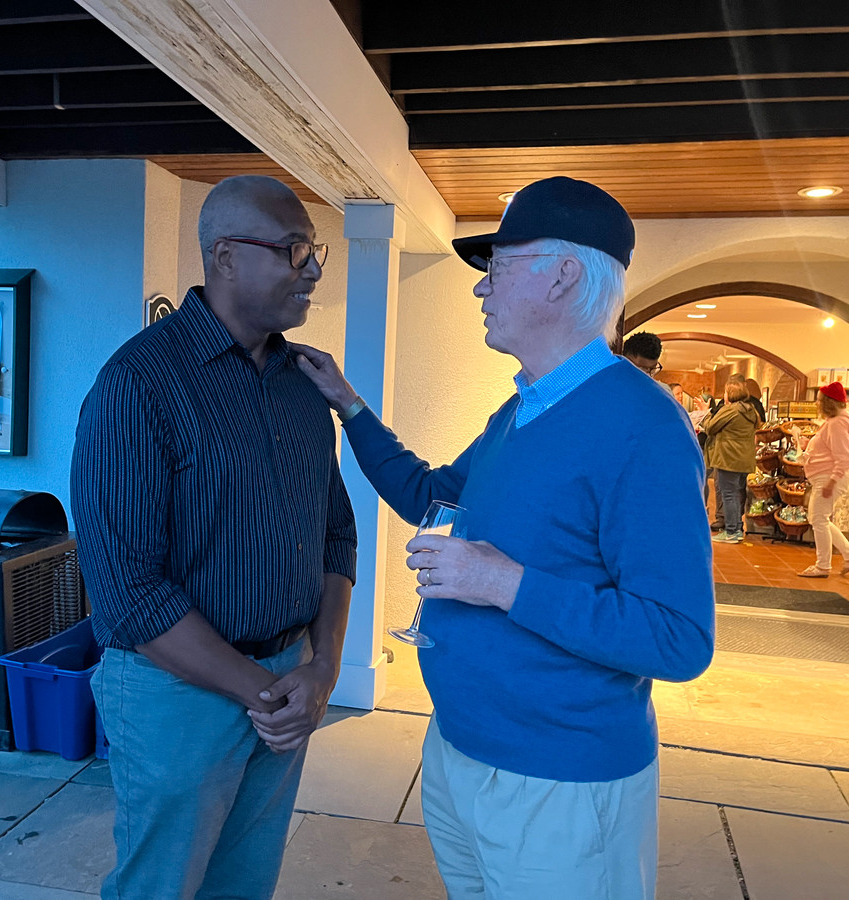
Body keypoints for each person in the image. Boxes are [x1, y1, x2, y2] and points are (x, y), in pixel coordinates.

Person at [295, 176, 714, 898]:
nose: (481, 289)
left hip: (560, 783)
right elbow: (432, 495)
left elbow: (678, 639)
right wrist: (349, 406)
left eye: (497, 266)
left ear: (563, 275)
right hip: (461, 749)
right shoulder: (523, 408)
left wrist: (501, 582)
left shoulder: (643, 426)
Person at [70, 175, 357, 900]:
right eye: (295, 251)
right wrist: (265, 692)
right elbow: (127, 594)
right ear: (225, 256)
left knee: (243, 883)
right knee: (161, 888)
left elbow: (334, 535)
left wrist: (321, 669)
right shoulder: (138, 384)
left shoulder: (301, 383)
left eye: (313, 251)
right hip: (178, 695)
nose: (314, 270)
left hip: (286, 681)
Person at [788, 382, 849, 578]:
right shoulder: (837, 422)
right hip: (826, 476)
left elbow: (844, 457)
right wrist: (806, 444)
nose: (817, 404)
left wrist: (831, 482)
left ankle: (823, 566)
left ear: (828, 403)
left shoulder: (837, 423)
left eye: (819, 400)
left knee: (819, 520)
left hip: (828, 477)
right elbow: (831, 450)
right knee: (819, 518)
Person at [702, 380, 760, 543]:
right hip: (744, 459)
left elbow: (711, 427)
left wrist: (706, 414)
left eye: (726, 392)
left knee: (729, 495)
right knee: (737, 494)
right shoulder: (751, 411)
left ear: (731, 394)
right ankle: (737, 528)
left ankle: (732, 531)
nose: (724, 396)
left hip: (729, 458)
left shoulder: (731, 410)